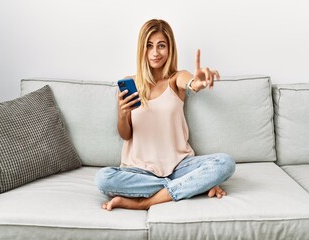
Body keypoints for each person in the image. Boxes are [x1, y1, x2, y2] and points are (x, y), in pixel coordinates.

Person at [94, 19, 235, 211]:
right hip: (139, 171)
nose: (155, 52)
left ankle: (145, 202)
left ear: (170, 49)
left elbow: (190, 83)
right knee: (103, 179)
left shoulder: (176, 79)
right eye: (149, 46)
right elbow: (125, 135)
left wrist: (197, 83)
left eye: (161, 45)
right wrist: (122, 113)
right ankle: (193, 186)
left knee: (225, 163)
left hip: (180, 167)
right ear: (142, 49)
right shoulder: (130, 83)